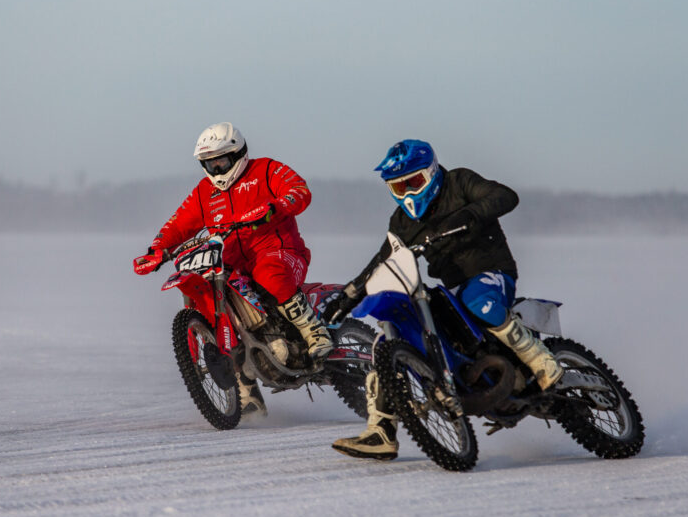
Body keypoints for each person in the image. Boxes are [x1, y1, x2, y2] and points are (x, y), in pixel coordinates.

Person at [322, 139, 564, 461]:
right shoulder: (402, 223)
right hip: (452, 287)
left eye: (414, 182)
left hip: (490, 271)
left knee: (480, 302)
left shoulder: (459, 182)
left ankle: (541, 360)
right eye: (398, 187)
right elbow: (384, 259)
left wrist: (468, 216)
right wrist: (349, 295)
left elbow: (506, 196)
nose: (408, 193)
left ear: (432, 172)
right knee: (385, 341)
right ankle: (380, 431)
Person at [132, 122, 334, 417]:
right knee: (216, 300)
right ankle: (246, 390)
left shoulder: (265, 170)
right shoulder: (204, 193)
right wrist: (157, 249)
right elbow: (178, 224)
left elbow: (299, 190)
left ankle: (314, 332)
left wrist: (274, 208)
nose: (216, 170)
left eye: (221, 161)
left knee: (269, 272)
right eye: (209, 164)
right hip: (233, 265)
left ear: (238, 154)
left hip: (280, 252)